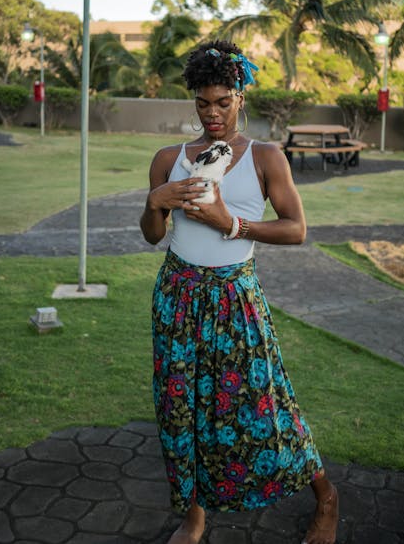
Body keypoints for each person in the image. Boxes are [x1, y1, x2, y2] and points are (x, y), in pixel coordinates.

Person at [140, 40, 339, 544]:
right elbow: (153, 235)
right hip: (179, 298)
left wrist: (233, 224)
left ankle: (326, 497)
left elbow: (296, 229)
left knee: (264, 406)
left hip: (235, 300)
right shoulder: (169, 158)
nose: (213, 113)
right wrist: (155, 201)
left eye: (223, 102)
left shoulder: (266, 157)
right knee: (182, 412)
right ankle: (195, 518)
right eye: (204, 103)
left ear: (240, 96)